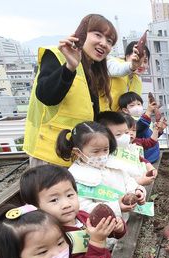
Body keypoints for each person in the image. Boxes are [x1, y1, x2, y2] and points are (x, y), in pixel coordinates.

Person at [23, 14, 118, 168]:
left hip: (77, 153)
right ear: (81, 34)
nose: (104, 43)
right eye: (98, 35)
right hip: (49, 154)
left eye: (109, 41)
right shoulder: (58, 55)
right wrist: (69, 67)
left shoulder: (93, 70)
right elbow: (46, 95)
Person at [19, 164, 124, 258]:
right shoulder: (56, 240)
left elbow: (111, 234)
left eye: (69, 195)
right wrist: (97, 242)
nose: (66, 204)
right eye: (54, 200)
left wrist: (117, 229)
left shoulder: (82, 216)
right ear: (35, 207)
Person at [56, 121, 146, 222]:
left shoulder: (113, 163)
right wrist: (116, 207)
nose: (102, 155)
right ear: (78, 152)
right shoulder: (75, 177)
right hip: (102, 231)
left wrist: (137, 191)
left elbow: (128, 181)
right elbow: (83, 208)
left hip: (124, 221)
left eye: (105, 149)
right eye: (96, 151)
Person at [96, 111, 158, 185]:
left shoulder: (128, 147)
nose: (126, 137)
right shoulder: (104, 158)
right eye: (118, 134)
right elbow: (116, 184)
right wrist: (139, 182)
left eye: (126, 132)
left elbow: (140, 159)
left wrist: (151, 168)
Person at [100, 40, 150, 111]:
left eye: (145, 61)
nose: (141, 64)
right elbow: (119, 69)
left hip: (118, 120)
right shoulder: (113, 63)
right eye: (137, 58)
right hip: (101, 116)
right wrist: (132, 66)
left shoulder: (137, 82)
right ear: (127, 56)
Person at [118, 91, 166, 163]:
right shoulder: (128, 121)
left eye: (139, 104)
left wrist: (159, 130)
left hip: (154, 154)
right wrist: (149, 112)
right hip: (145, 158)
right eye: (132, 105)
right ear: (125, 110)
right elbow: (140, 127)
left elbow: (151, 134)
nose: (137, 107)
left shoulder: (143, 118)